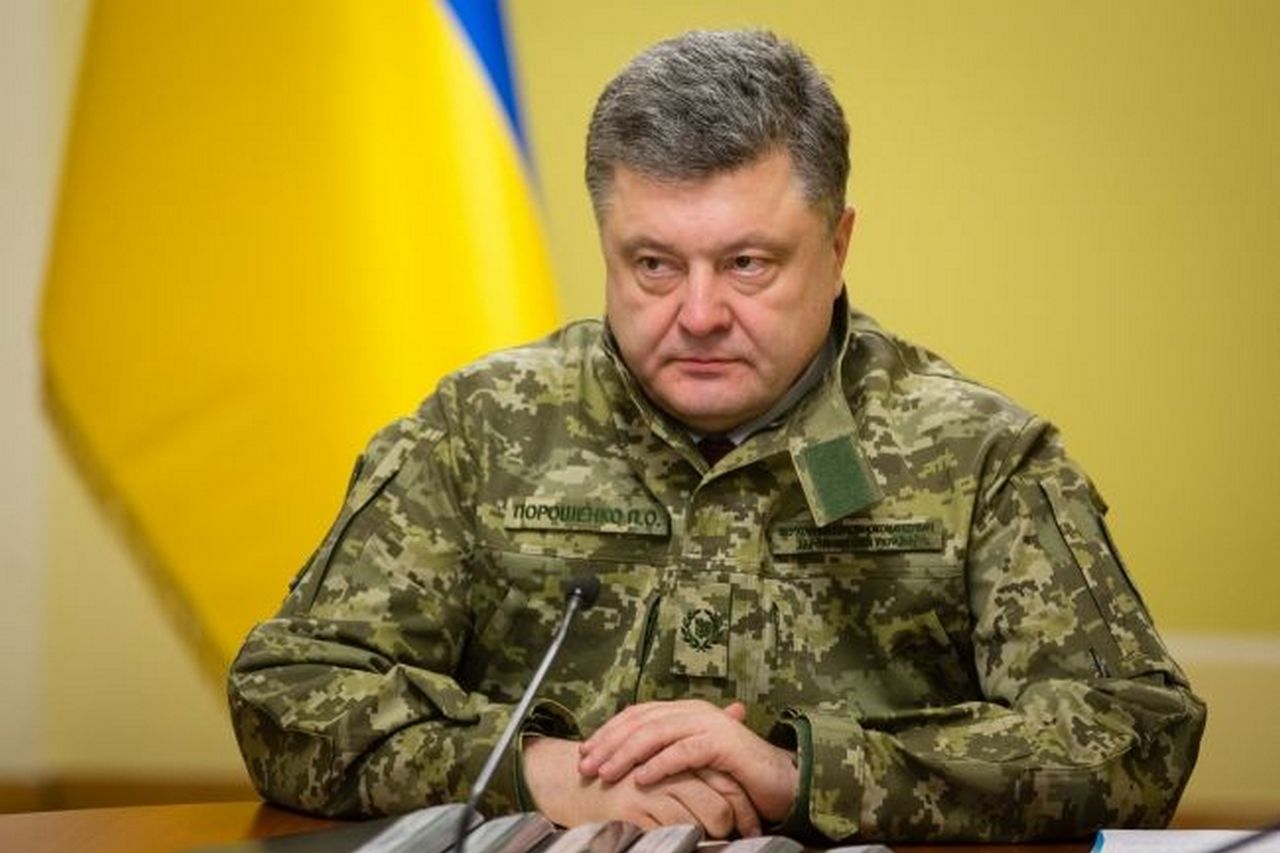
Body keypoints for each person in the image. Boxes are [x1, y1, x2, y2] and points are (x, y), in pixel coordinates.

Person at [227, 29, 1205, 844]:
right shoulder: (479, 428)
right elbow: (288, 691)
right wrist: (541, 770)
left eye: (747, 263)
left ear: (837, 246)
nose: (697, 315)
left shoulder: (980, 456)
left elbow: (1134, 737)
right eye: (653, 265)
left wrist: (799, 774)